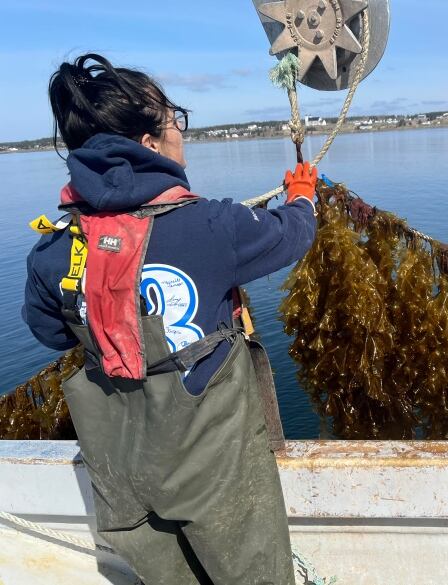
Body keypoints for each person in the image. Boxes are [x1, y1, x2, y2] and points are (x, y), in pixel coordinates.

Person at [22, 53, 318, 585]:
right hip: (215, 469)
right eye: (174, 120)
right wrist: (302, 196)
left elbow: (47, 333)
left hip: (125, 467)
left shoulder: (53, 248)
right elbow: (293, 234)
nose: (182, 132)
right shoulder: (211, 226)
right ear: (150, 143)